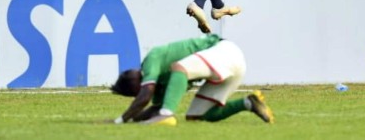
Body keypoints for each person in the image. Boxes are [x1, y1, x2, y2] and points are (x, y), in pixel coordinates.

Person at [110, 34, 274, 126]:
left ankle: (168, 115)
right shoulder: (159, 87)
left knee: (179, 68)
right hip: (232, 68)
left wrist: (120, 120)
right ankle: (248, 103)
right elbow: (155, 108)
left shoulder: (151, 61)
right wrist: (132, 119)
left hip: (225, 51)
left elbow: (146, 95)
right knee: (197, 115)